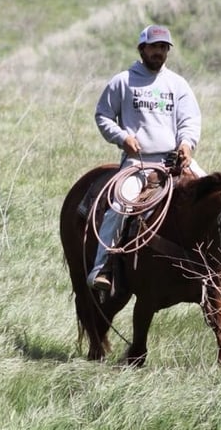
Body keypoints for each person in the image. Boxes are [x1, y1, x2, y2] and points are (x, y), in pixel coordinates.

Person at [87, 24, 205, 291]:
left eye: (163, 47)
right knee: (120, 205)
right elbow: (103, 116)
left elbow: (189, 120)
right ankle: (103, 267)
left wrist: (187, 144)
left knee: (217, 197)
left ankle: (218, 268)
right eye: (154, 47)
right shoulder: (122, 81)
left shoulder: (178, 84)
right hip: (138, 163)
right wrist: (122, 137)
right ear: (142, 49)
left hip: (173, 160)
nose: (159, 52)